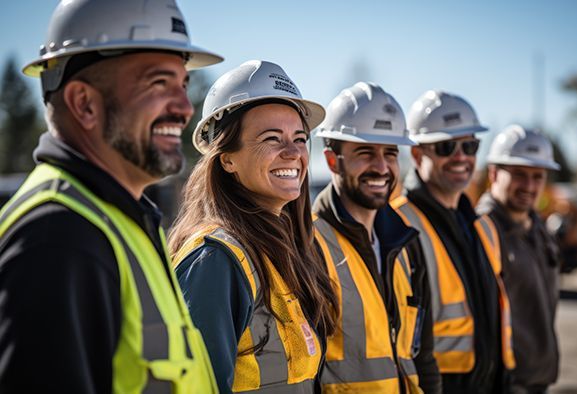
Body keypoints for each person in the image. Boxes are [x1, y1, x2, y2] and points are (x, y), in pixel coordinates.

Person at [0, 0, 223, 392]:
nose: (185, 108)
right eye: (159, 83)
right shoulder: (60, 237)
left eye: (183, 84)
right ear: (84, 104)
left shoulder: (125, 220)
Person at [168, 60, 338, 393]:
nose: (293, 153)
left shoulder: (287, 249)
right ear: (227, 159)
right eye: (272, 139)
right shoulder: (215, 260)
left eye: (300, 139)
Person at [312, 82, 441, 394]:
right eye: (365, 152)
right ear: (332, 161)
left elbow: (422, 356)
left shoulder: (407, 243)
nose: (382, 167)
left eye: (390, 153)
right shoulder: (309, 244)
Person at [391, 90, 516, 394]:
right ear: (418, 155)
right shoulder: (396, 224)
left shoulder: (482, 226)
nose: (461, 157)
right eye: (446, 147)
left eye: (470, 146)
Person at [476, 125, 561, 394]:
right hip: (504, 385)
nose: (529, 185)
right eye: (519, 174)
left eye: (538, 176)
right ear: (493, 174)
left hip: (538, 380)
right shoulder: (481, 231)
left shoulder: (538, 229)